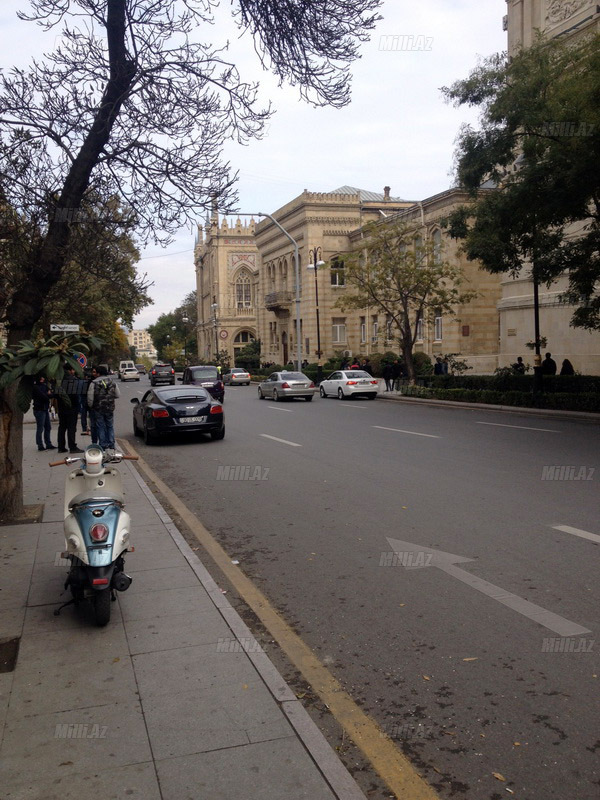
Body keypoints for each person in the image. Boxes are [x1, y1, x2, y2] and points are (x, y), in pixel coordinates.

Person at [87, 365, 120, 451]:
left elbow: (90, 398)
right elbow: (118, 395)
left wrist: (91, 406)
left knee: (100, 426)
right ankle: (111, 443)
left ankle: (103, 444)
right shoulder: (112, 382)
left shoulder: (93, 383)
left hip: (98, 408)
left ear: (98, 373)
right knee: (110, 425)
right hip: (110, 408)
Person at [56, 365, 84, 454]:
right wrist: (77, 407)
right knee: (71, 428)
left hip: (61, 407)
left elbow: (56, 394)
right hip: (71, 408)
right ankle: (72, 447)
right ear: (70, 370)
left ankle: (61, 447)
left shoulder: (59, 379)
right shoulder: (73, 380)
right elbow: (76, 395)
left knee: (62, 427)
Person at [32, 376, 56, 452]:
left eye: (43, 377)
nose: (42, 379)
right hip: (39, 409)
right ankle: (40, 445)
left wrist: (48, 394)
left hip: (45, 409)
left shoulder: (44, 386)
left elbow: (51, 395)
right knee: (40, 428)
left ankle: (48, 443)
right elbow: (44, 397)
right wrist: (47, 394)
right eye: (41, 377)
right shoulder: (35, 387)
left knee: (48, 427)